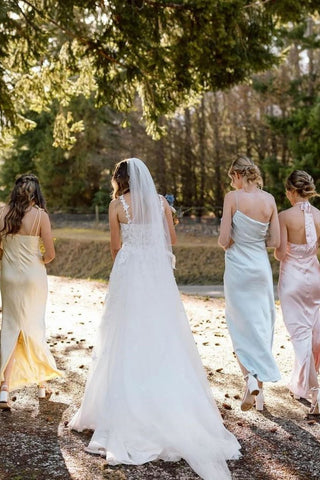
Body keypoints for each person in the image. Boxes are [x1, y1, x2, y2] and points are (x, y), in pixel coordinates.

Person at [69, 158, 240, 480]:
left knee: (123, 334)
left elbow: (116, 248)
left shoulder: (117, 206)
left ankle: (120, 405)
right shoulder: (160, 203)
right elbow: (171, 240)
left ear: (120, 180)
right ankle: (168, 401)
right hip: (157, 273)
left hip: (130, 270)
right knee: (162, 333)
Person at [218, 156, 281, 412]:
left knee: (240, 325)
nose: (231, 182)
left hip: (238, 269)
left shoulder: (232, 198)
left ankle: (250, 378)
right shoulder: (269, 200)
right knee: (262, 325)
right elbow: (276, 240)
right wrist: (255, 244)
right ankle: (260, 396)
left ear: (237, 175)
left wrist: (235, 241)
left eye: (231, 177)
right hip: (260, 268)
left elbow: (224, 240)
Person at [0, 174, 62, 410]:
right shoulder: (40, 216)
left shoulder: (3, 213)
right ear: (36, 193)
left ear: (15, 191)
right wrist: (39, 260)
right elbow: (50, 254)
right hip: (33, 277)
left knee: (10, 327)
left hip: (9, 276)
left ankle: (4, 390)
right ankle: (41, 384)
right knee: (35, 325)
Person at [275, 170, 320, 414]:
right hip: (315, 278)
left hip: (292, 280)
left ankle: (315, 392)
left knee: (300, 336)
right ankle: (305, 384)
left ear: (292, 191)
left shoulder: (284, 216)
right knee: (314, 334)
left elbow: (281, 253)